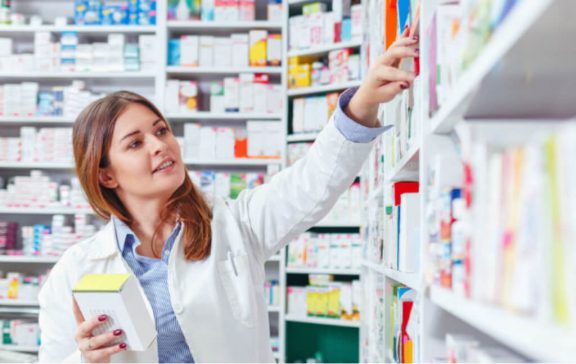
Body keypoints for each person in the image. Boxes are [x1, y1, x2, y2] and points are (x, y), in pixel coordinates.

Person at [38, 32, 418, 363]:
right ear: (105, 174)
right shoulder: (75, 271)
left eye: (161, 130)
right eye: (135, 143)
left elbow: (312, 182)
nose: (159, 145)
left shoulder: (235, 223)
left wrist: (363, 103)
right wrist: (87, 358)